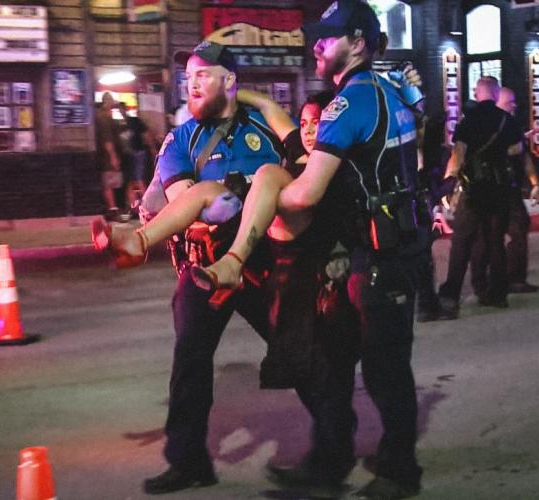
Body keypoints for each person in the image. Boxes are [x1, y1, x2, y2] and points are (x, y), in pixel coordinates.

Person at [189, 2, 426, 497]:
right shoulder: (387, 90)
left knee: (384, 370)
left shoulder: (350, 102)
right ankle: (329, 461)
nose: (316, 45)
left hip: (379, 257)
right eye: (315, 36)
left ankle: (400, 471)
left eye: (328, 37)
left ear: (358, 42)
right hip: (375, 251)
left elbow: (304, 194)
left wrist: (262, 188)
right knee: (334, 365)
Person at [99, 41, 288, 495]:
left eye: (204, 74)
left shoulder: (265, 129)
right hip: (203, 269)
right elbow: (197, 204)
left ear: (230, 82)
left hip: (260, 264)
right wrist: (241, 194)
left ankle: (332, 445)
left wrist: (235, 193)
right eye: (189, 76)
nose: (192, 82)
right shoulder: (181, 138)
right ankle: (187, 461)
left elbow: (299, 167)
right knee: (190, 363)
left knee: (297, 349)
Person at [437, 77, 525, 319]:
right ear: (496, 94)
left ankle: (451, 295)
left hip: (473, 190)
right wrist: (500, 152)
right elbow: (518, 149)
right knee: (495, 240)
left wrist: (448, 183)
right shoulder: (506, 120)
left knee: (462, 243)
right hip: (499, 189)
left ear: (477, 94)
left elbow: (458, 154)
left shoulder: (469, 121)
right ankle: (497, 293)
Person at [470, 87, 539, 296]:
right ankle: (484, 282)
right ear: (498, 102)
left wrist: (534, 182)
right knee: (486, 237)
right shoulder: (483, 125)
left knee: (518, 228)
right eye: (511, 101)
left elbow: (524, 156)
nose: (515, 105)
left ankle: (514, 277)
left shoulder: (511, 125)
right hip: (490, 188)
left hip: (510, 188)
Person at [117, 102, 156, 213]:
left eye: (122, 110)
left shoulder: (134, 121)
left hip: (138, 153)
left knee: (139, 180)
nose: (121, 112)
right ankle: (133, 207)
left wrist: (152, 148)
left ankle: (147, 206)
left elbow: (146, 134)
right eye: (119, 110)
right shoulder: (119, 125)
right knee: (130, 182)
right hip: (127, 156)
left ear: (125, 110)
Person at [95, 93, 127, 221]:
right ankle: (113, 209)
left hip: (107, 154)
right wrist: (113, 156)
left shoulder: (105, 116)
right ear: (108, 102)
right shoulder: (104, 118)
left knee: (112, 181)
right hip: (108, 155)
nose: (114, 103)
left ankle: (113, 208)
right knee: (110, 181)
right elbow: (107, 139)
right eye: (113, 101)